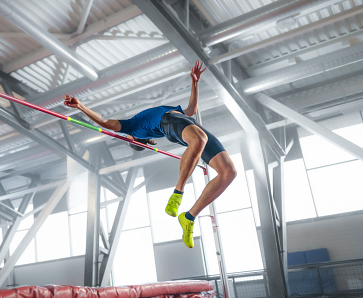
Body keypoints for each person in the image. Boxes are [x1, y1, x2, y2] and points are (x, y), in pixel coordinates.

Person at [63, 60, 236, 248]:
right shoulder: (132, 127)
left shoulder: (146, 125)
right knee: (199, 139)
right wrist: (80, 106)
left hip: (184, 123)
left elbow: (191, 111)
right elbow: (105, 122)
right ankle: (177, 194)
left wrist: (194, 82)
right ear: (134, 139)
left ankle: (189, 217)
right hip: (171, 122)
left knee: (229, 173)